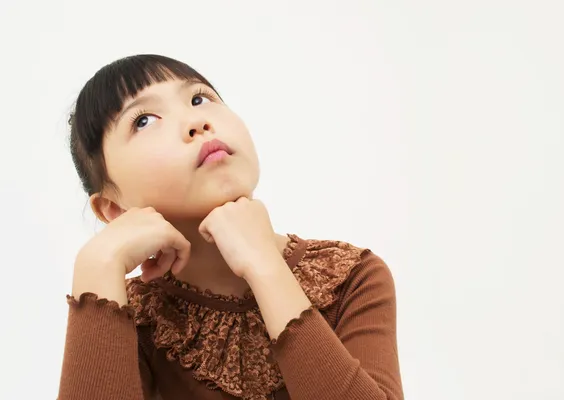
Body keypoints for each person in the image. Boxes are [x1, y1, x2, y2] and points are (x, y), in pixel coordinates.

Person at [58, 54, 403, 400]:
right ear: (114, 208)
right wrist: (96, 266)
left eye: (198, 98)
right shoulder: (137, 320)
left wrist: (265, 268)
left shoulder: (350, 278)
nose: (196, 122)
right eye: (144, 120)